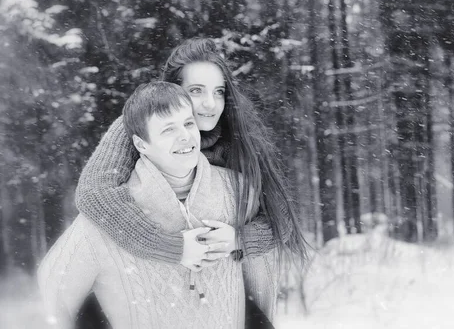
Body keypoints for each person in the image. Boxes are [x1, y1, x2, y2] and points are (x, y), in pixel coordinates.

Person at [74, 38, 307, 324]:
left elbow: (280, 215)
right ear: (173, 91)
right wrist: (171, 246)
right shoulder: (140, 125)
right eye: (196, 91)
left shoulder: (237, 136)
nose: (210, 104)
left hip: (220, 286)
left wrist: (239, 238)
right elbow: (95, 193)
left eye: (219, 91)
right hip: (137, 286)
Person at [38, 82, 244, 329]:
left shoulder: (237, 190)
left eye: (189, 124)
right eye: (168, 129)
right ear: (141, 144)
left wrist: (241, 238)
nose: (185, 136)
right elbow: (54, 288)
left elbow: (267, 268)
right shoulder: (107, 216)